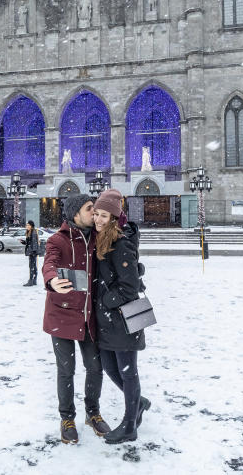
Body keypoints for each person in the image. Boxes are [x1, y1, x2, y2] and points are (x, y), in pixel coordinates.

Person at [41, 194, 110, 444]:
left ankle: (92, 413)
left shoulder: (97, 237)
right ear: (75, 214)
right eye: (89, 209)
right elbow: (49, 262)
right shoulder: (57, 240)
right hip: (61, 315)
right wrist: (51, 280)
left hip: (88, 316)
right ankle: (67, 417)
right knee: (66, 370)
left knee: (95, 367)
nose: (94, 213)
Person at [91, 188, 152, 444]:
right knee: (109, 367)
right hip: (107, 319)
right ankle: (138, 402)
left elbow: (129, 286)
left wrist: (106, 300)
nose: (98, 219)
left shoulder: (121, 242)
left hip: (124, 318)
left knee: (128, 372)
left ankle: (129, 425)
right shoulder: (101, 237)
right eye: (96, 213)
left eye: (104, 215)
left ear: (115, 217)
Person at [23, 220, 40, 287]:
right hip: (32, 251)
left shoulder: (33, 232)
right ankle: (34, 280)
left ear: (31, 226)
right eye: (26, 225)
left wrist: (33, 252)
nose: (27, 226)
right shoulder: (29, 232)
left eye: (28, 225)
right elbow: (29, 242)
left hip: (32, 252)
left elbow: (34, 243)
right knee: (33, 266)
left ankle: (31, 281)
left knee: (32, 267)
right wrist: (24, 242)